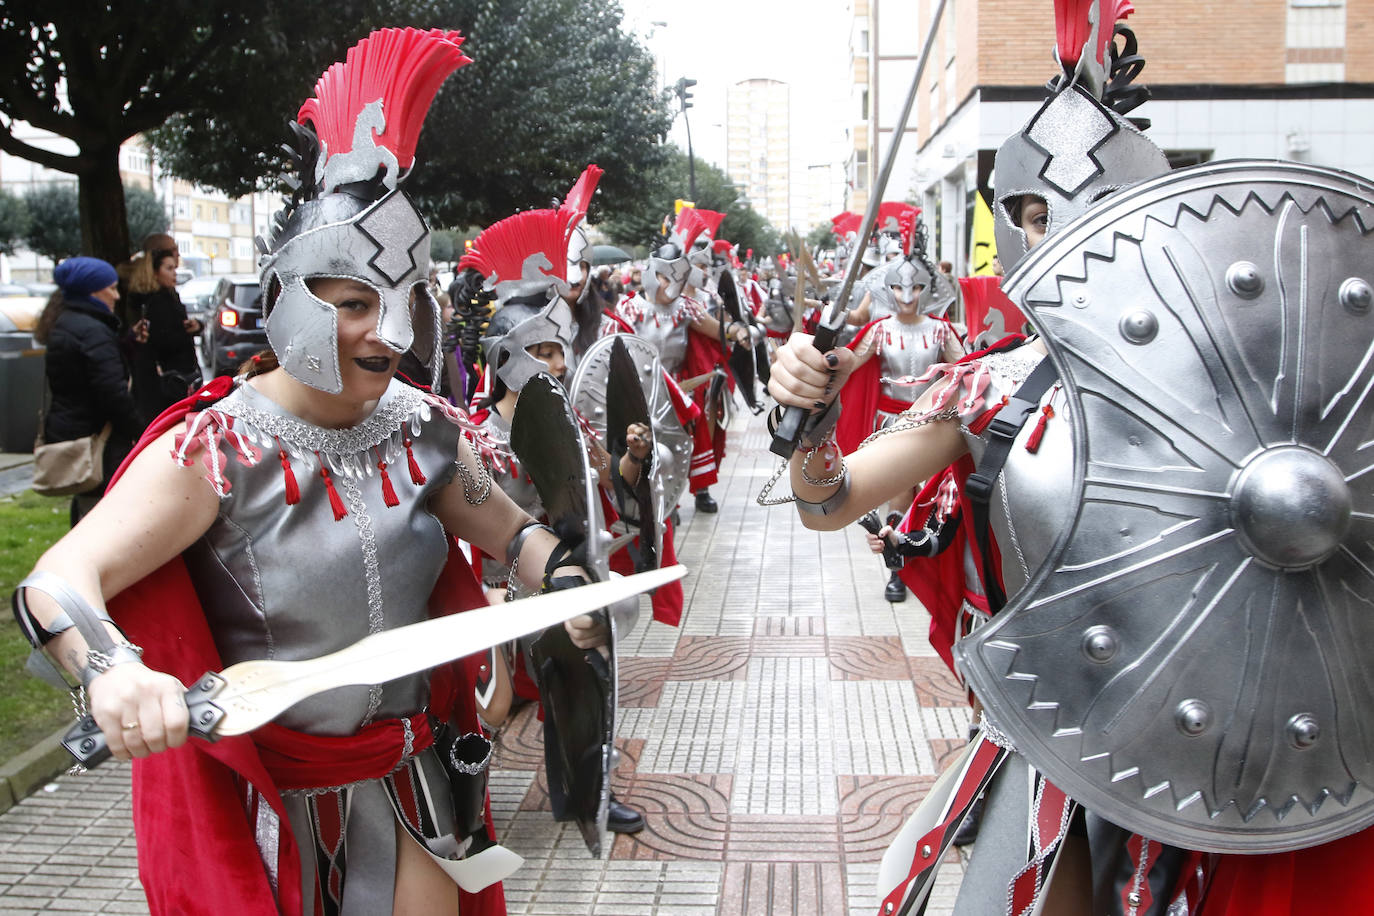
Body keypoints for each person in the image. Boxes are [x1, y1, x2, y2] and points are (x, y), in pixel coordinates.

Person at [12, 29, 610, 916]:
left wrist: (566, 584)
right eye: (355, 304)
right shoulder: (216, 449)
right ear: (289, 298)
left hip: (412, 789)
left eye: (403, 302)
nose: (387, 333)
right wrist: (110, 670)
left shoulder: (425, 432)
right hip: (271, 806)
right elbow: (57, 581)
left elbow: (516, 535)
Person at [765, 0, 1203, 911]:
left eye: (1093, 210)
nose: (1056, 235)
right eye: (1034, 214)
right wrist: (809, 425)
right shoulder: (990, 384)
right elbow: (831, 501)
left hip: (1199, 740)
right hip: (1044, 735)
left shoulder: (1223, 376)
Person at [617, 207, 749, 513]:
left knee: (680, 445)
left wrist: (739, 331)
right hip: (638, 390)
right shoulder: (628, 309)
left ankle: (688, 495)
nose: (668, 285)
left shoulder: (686, 309)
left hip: (678, 388)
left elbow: (716, 330)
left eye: (675, 277)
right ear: (652, 272)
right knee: (642, 447)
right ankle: (655, 505)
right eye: (663, 276)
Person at [33, 257, 145, 525]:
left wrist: (126, 344)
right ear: (93, 291)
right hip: (99, 439)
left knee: (86, 510)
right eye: (112, 288)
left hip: (77, 430)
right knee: (104, 517)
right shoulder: (92, 331)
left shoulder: (67, 323)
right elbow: (112, 393)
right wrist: (140, 433)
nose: (117, 296)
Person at [125, 247, 202, 423]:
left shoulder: (170, 295)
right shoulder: (154, 302)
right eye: (169, 268)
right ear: (155, 273)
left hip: (175, 375)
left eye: (175, 268)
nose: (175, 273)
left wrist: (196, 326)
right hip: (166, 378)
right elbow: (160, 340)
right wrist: (184, 332)